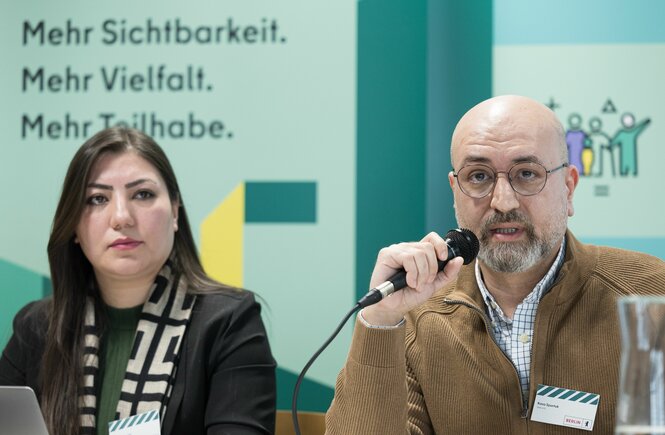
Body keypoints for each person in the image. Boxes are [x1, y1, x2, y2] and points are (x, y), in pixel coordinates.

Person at [325, 95, 665, 434]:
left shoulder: (650, 296)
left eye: (527, 173)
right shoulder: (416, 314)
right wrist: (381, 321)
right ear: (454, 190)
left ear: (569, 187)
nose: (503, 202)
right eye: (478, 177)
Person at [0, 127, 276, 435]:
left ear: (174, 210)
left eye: (142, 194)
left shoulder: (229, 323)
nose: (121, 217)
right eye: (97, 198)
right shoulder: (36, 328)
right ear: (74, 225)